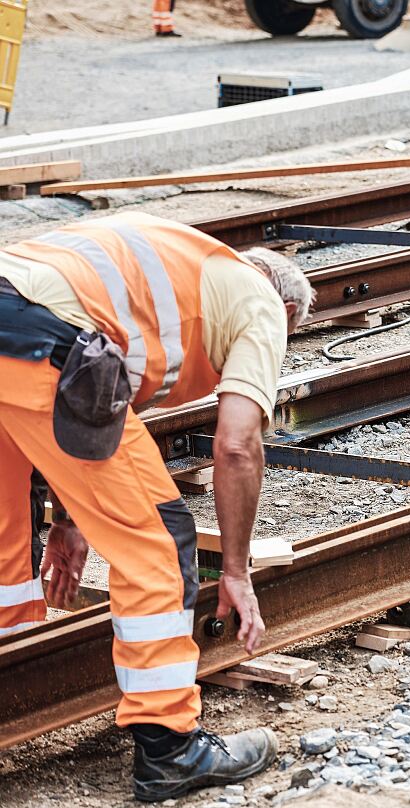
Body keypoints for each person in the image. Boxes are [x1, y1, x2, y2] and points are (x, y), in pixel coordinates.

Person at [0, 212, 314, 802]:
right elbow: (239, 446)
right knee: (159, 541)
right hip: (38, 341)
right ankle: (171, 745)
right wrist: (238, 573)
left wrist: (70, 520)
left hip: (14, 325)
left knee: (5, 526)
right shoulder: (264, 304)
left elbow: (88, 412)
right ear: (288, 312)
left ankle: (10, 669)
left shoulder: (180, 263)